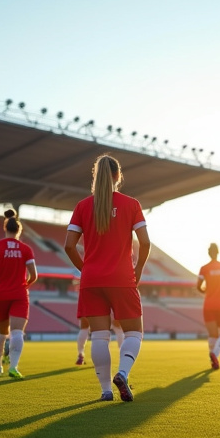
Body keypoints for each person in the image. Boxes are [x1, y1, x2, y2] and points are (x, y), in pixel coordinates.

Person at [64, 154, 150, 402]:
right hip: (122, 278)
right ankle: (122, 373)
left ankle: (105, 391)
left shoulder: (82, 206)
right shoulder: (131, 204)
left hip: (92, 280)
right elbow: (144, 242)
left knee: (99, 335)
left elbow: (69, 246)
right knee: (134, 333)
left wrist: (85, 269)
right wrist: (139, 268)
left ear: (96, 176)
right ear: (118, 176)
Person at [0, 209, 37, 378]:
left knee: (1, 333)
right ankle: (13, 366)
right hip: (19, 294)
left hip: (0, 294)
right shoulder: (26, 249)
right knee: (17, 333)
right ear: (19, 230)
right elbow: (34, 275)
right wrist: (24, 285)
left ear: (5, 228)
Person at [197, 243, 220, 369]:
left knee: (213, 335)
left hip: (209, 304)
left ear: (208, 253)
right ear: (218, 252)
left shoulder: (204, 268)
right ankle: (214, 354)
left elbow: (198, 286)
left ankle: (213, 358)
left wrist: (206, 292)